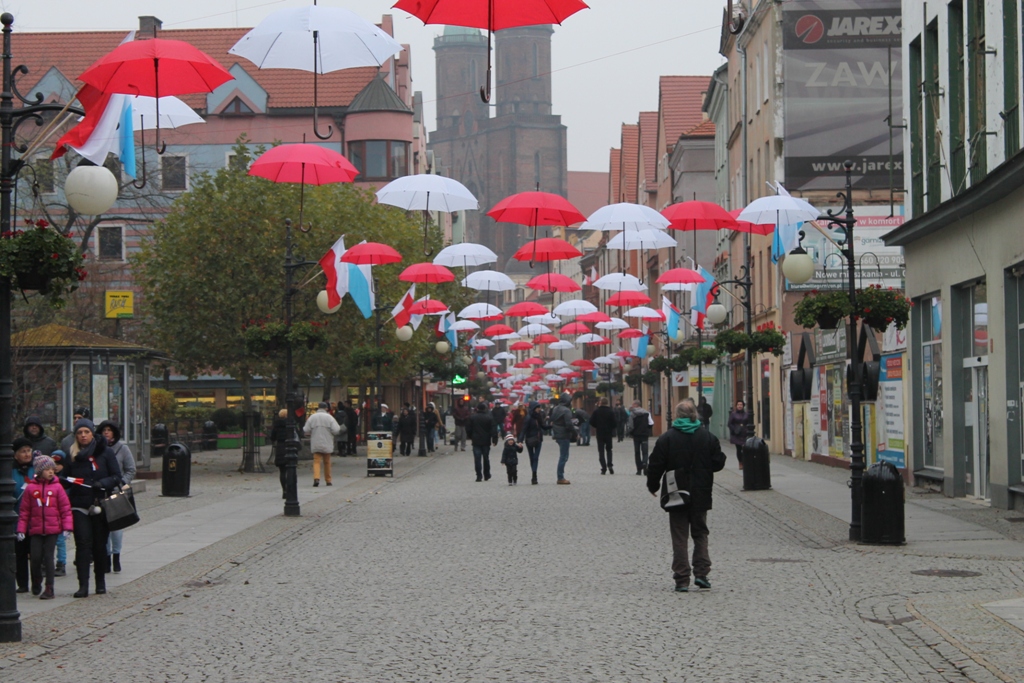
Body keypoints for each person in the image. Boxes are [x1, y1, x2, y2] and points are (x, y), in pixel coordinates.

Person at [646, 399, 726, 592]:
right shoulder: (707, 437)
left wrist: (653, 485)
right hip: (701, 492)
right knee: (700, 533)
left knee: (680, 534)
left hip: (676, 493)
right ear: (694, 415)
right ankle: (702, 573)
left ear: (677, 415)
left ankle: (681, 578)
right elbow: (719, 462)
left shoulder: (667, 438)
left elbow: (655, 464)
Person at [62, 418, 121, 598]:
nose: (83, 436)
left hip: (99, 503)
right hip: (79, 505)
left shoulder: (105, 453)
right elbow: (66, 479)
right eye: (80, 433)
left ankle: (100, 581)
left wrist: (101, 483)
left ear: (92, 433)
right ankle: (83, 585)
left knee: (99, 544)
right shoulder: (71, 454)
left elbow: (116, 476)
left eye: (86, 432)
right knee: (83, 544)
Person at [16, 455, 72, 600]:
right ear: (40, 471)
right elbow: (24, 511)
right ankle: (36, 580)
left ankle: (49, 587)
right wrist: (21, 529)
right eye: (47, 469)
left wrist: (67, 527)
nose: (51, 472)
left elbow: (65, 508)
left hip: (52, 529)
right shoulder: (31, 488)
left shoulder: (57, 487)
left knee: (48, 558)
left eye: (52, 469)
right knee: (35, 557)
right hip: (35, 529)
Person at [98, 421, 135, 574]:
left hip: (116, 491)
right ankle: (105, 557)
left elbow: (130, 469)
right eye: (104, 430)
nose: (106, 433)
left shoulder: (122, 448)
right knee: (103, 527)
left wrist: (122, 483)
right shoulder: (97, 449)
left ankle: (116, 556)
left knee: (116, 526)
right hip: (101, 491)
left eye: (109, 430)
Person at [12, 437, 34, 594]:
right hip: (17, 519)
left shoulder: (36, 469)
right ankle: (23, 583)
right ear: (15, 455)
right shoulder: (10, 471)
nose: (27, 454)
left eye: (28, 451)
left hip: (36, 519)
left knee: (36, 553)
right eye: (23, 451)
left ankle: (37, 582)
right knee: (20, 553)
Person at [304, 402, 341, 487]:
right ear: (326, 408)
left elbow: (306, 429)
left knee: (316, 461)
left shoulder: (312, 417)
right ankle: (328, 480)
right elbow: (336, 430)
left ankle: (316, 478)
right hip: (327, 441)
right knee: (327, 462)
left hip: (316, 441)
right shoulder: (329, 417)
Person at [549, 394, 574, 485]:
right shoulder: (566, 410)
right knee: (564, 456)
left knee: (564, 456)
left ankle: (560, 476)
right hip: (564, 434)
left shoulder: (556, 408)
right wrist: (574, 432)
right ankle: (560, 477)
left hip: (557, 434)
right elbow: (568, 424)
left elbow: (552, 419)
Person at [518, 401, 545, 485]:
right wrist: (520, 441)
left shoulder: (538, 417)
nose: (539, 409)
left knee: (536, 458)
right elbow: (524, 430)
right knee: (532, 458)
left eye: (539, 407)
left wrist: (553, 425)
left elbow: (543, 426)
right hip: (529, 440)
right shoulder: (528, 417)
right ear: (533, 408)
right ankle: (534, 474)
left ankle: (534, 475)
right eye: (537, 408)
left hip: (538, 439)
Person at [589, 397, 618, 474]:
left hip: (600, 433)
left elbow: (591, 421)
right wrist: (610, 428)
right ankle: (610, 465)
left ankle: (603, 467)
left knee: (601, 451)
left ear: (600, 403)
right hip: (608, 433)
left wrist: (597, 426)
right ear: (607, 403)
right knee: (609, 449)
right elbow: (615, 423)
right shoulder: (611, 411)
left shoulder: (596, 411)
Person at [468, 401, 495, 482]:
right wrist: (494, 439)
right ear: (485, 409)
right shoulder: (489, 417)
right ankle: (487, 474)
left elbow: (468, 428)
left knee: (477, 458)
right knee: (486, 458)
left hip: (476, 440)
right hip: (486, 440)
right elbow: (493, 429)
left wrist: (470, 436)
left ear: (477, 409)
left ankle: (479, 475)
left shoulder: (472, 417)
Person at [629, 400, 653, 475]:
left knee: (637, 452)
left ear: (636, 405)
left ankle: (639, 469)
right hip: (644, 435)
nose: (632, 406)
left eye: (633, 404)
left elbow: (631, 425)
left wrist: (631, 432)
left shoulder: (632, 414)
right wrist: (647, 429)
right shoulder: (646, 413)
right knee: (645, 452)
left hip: (636, 435)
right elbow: (651, 423)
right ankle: (645, 463)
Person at [271, 409, 291, 498]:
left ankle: (284, 490)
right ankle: (291, 490)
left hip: (280, 447)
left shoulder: (276, 425)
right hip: (289, 447)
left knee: (282, 471)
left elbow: (272, 437)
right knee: (291, 470)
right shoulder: (290, 424)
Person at [727, 400, 750, 470]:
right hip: (737, 433)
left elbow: (749, 422)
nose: (740, 406)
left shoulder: (746, 414)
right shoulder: (733, 414)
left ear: (743, 406)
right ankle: (740, 462)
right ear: (736, 406)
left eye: (741, 405)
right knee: (739, 449)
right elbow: (729, 424)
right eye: (738, 405)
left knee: (745, 449)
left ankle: (745, 462)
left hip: (744, 433)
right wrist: (734, 430)